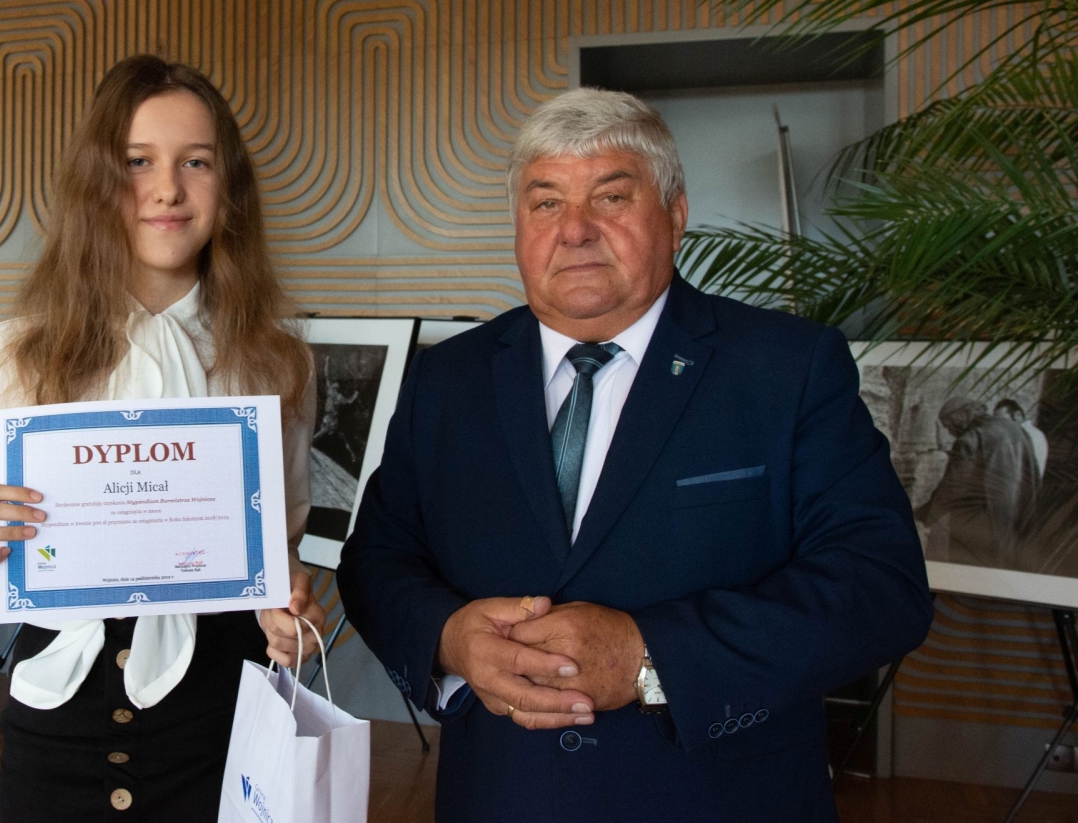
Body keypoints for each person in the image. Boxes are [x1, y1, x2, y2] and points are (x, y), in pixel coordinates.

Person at [337, 88, 933, 822]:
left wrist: (651, 659)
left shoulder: (787, 368)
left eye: (611, 197)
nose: (575, 230)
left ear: (675, 213)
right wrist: (450, 640)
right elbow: (377, 558)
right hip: (501, 798)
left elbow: (880, 586)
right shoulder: (446, 378)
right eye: (546, 203)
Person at [0, 55, 325, 822]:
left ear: (230, 185)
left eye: (196, 161)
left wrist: (290, 602)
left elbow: (279, 547)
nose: (167, 188)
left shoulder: (278, 358)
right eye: (139, 161)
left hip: (224, 726)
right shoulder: (17, 351)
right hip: (56, 729)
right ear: (99, 182)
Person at [919, 397, 1040, 568]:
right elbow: (1033, 472)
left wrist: (923, 515)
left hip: (982, 521)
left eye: (948, 426)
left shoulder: (971, 439)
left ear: (959, 418)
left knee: (971, 569)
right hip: (1016, 514)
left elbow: (953, 487)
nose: (950, 432)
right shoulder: (1015, 429)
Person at [995, 397, 1048, 479]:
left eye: (1003, 421)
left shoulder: (1030, 435)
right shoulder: (1030, 433)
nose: (999, 426)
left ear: (1018, 415)